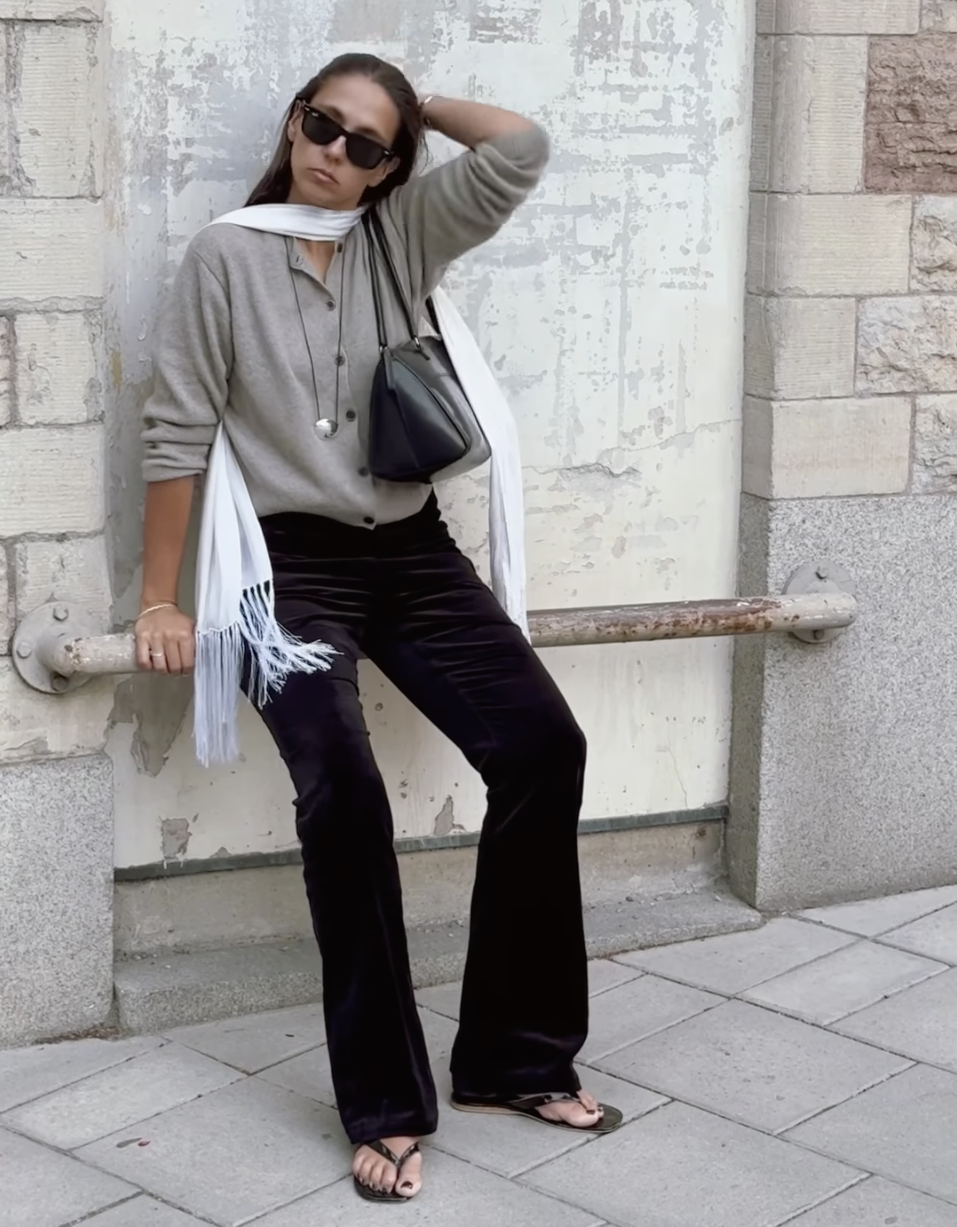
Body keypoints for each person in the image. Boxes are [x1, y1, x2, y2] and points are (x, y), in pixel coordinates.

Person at [136, 53, 621, 1204]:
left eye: (367, 144)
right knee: (342, 789)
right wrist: (162, 597)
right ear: (293, 121)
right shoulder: (224, 255)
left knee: (544, 748)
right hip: (276, 573)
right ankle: (388, 1105)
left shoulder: (400, 238)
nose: (334, 153)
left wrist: (415, 102)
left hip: (411, 556)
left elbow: (519, 148)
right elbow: (172, 436)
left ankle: (513, 1059)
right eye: (323, 125)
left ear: (391, 164)